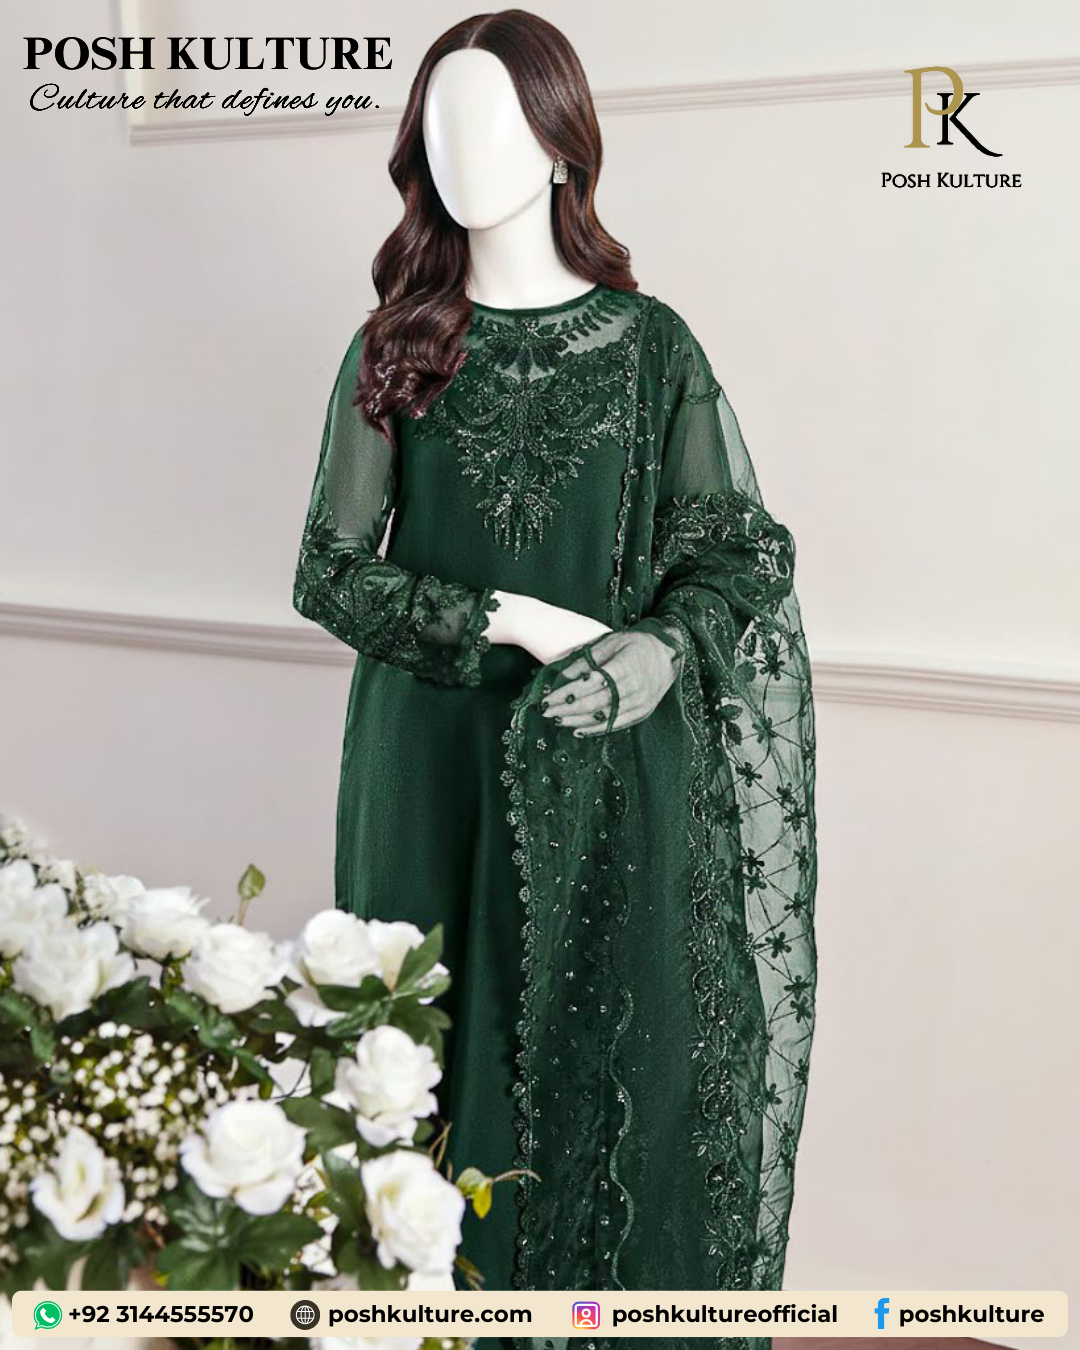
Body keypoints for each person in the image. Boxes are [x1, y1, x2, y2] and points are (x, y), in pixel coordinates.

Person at [294, 11, 817, 1342]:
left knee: (610, 1070)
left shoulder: (652, 350)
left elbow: (740, 553)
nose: (465, 150)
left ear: (562, 145)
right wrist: (515, 618)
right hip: (426, 767)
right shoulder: (396, 346)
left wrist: (658, 648)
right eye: (441, 122)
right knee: (419, 1066)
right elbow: (328, 573)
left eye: (497, 121)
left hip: (605, 759)